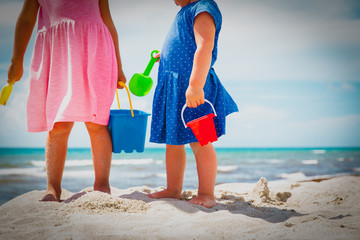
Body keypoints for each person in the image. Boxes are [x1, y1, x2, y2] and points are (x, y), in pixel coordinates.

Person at [7, 0, 126, 202]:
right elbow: (26, 18)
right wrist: (16, 60)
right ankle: (53, 188)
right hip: (58, 52)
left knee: (97, 121)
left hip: (97, 49)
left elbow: (108, 22)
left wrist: (120, 66)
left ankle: (102, 185)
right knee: (58, 123)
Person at [148, 0, 238, 208]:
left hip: (194, 90)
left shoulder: (202, 8)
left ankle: (206, 193)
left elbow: (205, 46)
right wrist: (166, 56)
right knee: (173, 142)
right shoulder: (184, 11)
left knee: (201, 140)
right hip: (176, 88)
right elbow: (186, 45)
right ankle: (173, 189)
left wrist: (196, 86)